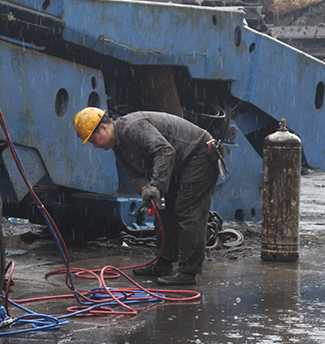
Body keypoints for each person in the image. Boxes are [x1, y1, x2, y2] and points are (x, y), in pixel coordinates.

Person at [73, 108, 217, 286]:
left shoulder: (132, 127)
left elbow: (165, 151)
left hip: (198, 155)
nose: (95, 146)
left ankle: (188, 272)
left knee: (188, 213)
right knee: (163, 209)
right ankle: (164, 262)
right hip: (178, 164)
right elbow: (134, 175)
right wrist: (145, 189)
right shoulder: (118, 147)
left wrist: (156, 185)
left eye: (94, 140)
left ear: (104, 128)